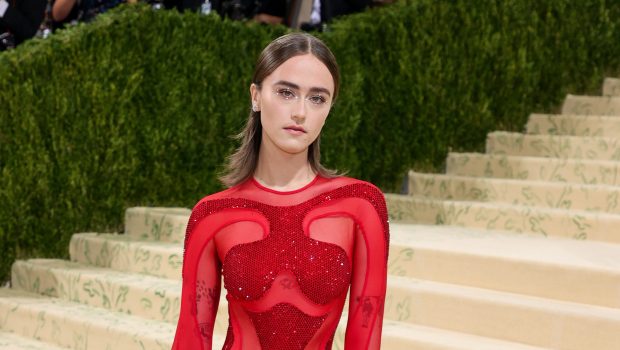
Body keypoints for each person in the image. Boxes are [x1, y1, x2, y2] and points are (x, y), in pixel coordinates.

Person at [172, 32, 389, 350]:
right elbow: (191, 338)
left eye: (317, 98)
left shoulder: (361, 205)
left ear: (328, 109)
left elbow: (366, 338)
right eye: (287, 92)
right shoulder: (211, 215)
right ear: (256, 96)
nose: (301, 112)